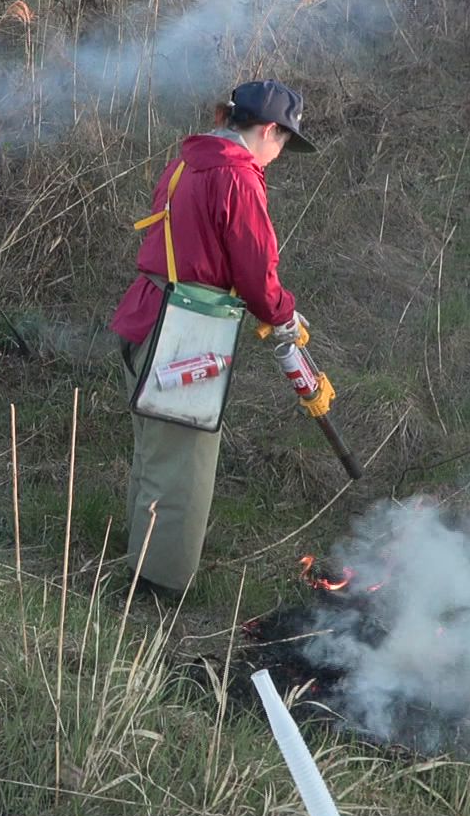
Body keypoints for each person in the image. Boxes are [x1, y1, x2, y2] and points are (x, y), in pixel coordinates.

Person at [108, 79, 318, 600]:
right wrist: (283, 317)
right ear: (268, 129)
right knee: (183, 463)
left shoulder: (189, 160)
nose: (279, 153)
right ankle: (157, 586)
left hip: (146, 316)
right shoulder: (237, 177)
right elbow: (255, 269)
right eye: (283, 141)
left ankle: (140, 557)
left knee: (156, 453)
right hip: (184, 332)